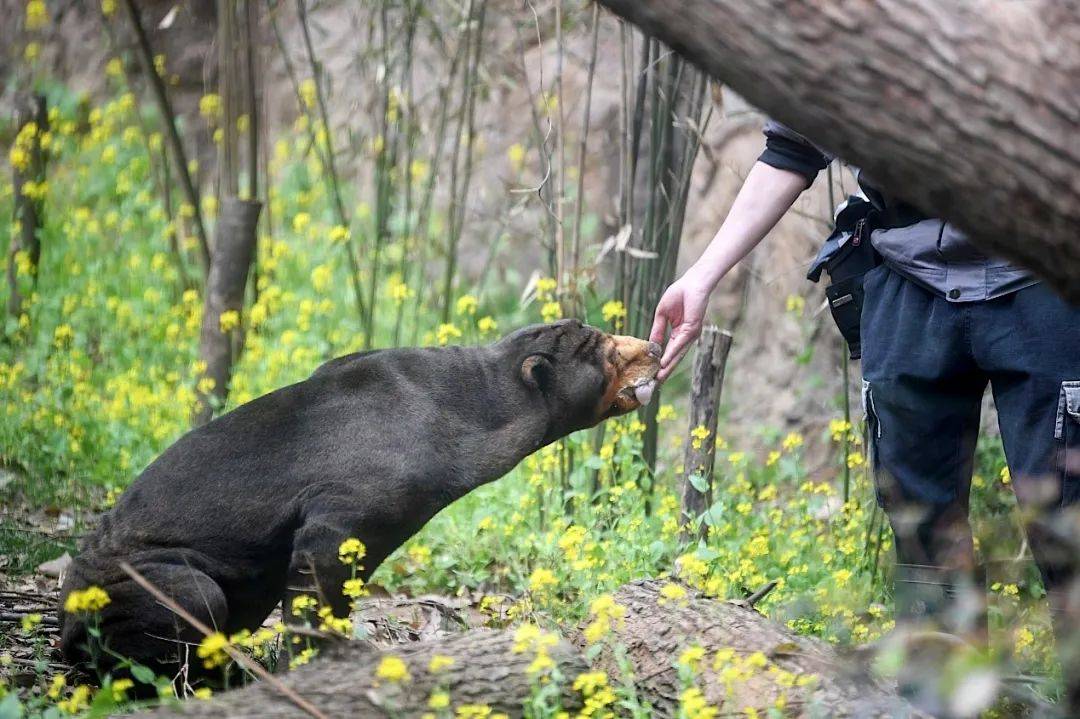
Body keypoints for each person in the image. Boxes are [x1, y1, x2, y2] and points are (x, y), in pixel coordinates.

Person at [650, 121, 1080, 653]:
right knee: (921, 529)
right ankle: (938, 700)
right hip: (908, 273)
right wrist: (701, 275)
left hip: (1049, 276)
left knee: (1068, 525)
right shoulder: (856, 37)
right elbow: (792, 148)